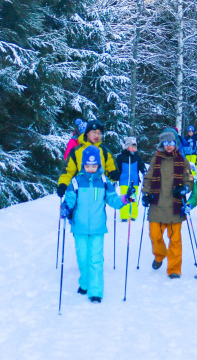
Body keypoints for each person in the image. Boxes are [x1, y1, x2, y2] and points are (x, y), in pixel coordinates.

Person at [62, 147, 132, 303]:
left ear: (98, 165)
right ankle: (85, 283)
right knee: (82, 257)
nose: (91, 169)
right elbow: (70, 199)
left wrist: (125, 198)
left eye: (94, 166)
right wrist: (66, 207)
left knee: (96, 259)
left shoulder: (105, 181)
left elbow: (113, 200)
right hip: (79, 227)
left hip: (98, 227)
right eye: (88, 166)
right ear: (83, 165)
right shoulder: (75, 182)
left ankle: (95, 291)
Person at [141, 128, 194, 279]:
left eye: (171, 142)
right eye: (166, 143)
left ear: (176, 144)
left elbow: (189, 179)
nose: (169, 146)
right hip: (157, 204)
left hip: (175, 205)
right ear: (162, 144)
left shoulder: (182, 160)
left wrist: (185, 188)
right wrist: (146, 193)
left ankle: (174, 269)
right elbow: (149, 178)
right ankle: (160, 255)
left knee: (175, 240)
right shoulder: (156, 159)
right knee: (155, 235)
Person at [57, 119, 118, 197]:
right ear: (87, 133)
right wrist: (63, 184)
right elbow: (68, 171)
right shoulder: (76, 151)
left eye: (99, 133)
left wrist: (113, 174)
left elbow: (111, 169)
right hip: (80, 193)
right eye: (94, 132)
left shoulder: (105, 151)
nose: (97, 136)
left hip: (99, 194)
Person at [115, 136, 146, 222]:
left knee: (133, 197)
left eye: (135, 146)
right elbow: (117, 168)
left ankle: (133, 214)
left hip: (134, 181)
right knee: (124, 197)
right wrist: (115, 176)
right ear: (127, 146)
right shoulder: (121, 157)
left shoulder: (137, 157)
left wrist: (144, 171)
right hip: (124, 180)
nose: (134, 148)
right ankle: (124, 215)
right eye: (132, 146)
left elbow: (141, 165)